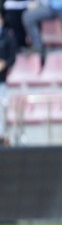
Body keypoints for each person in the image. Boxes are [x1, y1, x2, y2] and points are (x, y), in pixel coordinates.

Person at [0, 13, 16, 145]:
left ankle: (3, 135)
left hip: (2, 79)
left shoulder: (7, 36)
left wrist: (4, 63)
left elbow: (12, 57)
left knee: (2, 109)